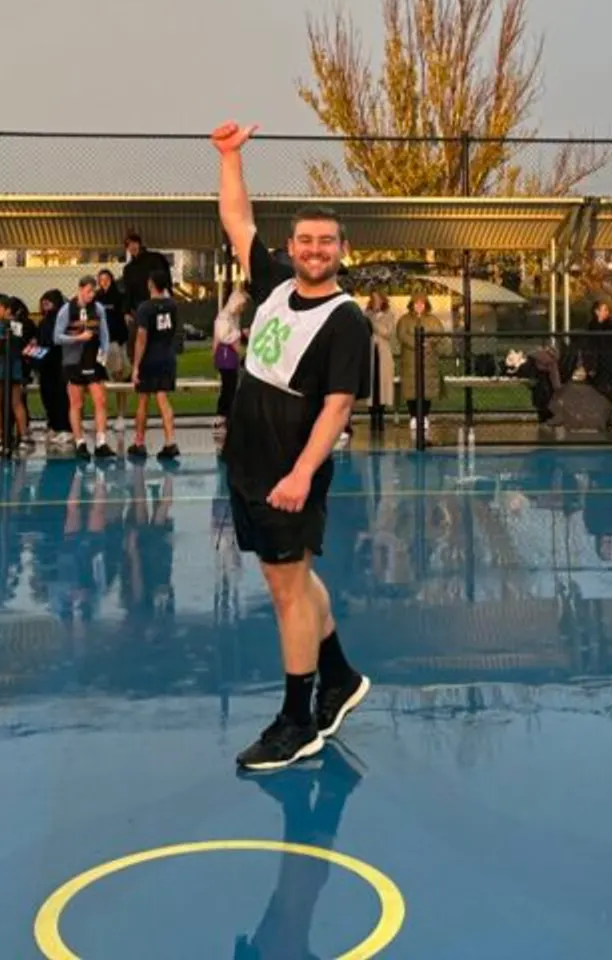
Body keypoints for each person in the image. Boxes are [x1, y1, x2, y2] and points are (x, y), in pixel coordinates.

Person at [214, 119, 372, 773]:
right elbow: (235, 219)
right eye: (305, 240)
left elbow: (338, 406)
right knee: (294, 579)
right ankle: (339, 680)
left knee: (286, 592)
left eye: (325, 242)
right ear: (291, 246)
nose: (314, 250)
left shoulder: (347, 319)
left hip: (288, 469)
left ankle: (297, 719)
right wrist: (229, 158)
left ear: (341, 249)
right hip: (248, 462)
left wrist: (304, 472)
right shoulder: (276, 281)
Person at [56, 277, 114, 458]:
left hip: (92, 360)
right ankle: (80, 442)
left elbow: (104, 335)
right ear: (80, 289)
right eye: (88, 291)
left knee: (100, 400)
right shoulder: (66, 310)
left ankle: (101, 442)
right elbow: (57, 337)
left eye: (93, 291)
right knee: (76, 403)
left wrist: (103, 354)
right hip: (73, 361)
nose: (91, 295)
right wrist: (77, 338)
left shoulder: (97, 309)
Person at [129, 270, 183, 463]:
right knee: (163, 398)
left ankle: (139, 442)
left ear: (151, 284)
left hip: (149, 357)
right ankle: (170, 442)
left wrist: (136, 365)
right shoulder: (172, 305)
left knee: (143, 400)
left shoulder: (145, 308)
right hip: (167, 355)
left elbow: (141, 337)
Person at [0, 294, 31, 450]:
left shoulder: (0, 324)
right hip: (14, 369)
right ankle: (24, 438)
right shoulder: (17, 324)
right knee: (17, 403)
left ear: (5, 309)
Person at [393, 294, 446, 437]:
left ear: (426, 305)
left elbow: (439, 334)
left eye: (422, 304)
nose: (419, 306)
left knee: (427, 390)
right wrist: (416, 343)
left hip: (429, 361)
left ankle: (424, 416)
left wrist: (428, 342)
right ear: (412, 304)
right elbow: (402, 335)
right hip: (410, 361)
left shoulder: (433, 320)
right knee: (411, 390)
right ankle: (414, 417)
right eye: (416, 304)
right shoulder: (404, 320)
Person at [34, 289, 72, 443]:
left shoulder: (61, 320)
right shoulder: (44, 321)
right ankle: (54, 426)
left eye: (48, 302)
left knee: (61, 397)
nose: (45, 306)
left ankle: (65, 428)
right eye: (43, 303)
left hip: (59, 364)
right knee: (48, 396)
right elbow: (40, 342)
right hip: (46, 366)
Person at [578, 300, 612, 402]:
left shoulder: (610, 325)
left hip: (610, 363)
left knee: (608, 391)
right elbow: (589, 346)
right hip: (596, 364)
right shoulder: (591, 327)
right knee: (597, 392)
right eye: (605, 310)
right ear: (597, 311)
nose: (607, 312)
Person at [213, 286, 249, 433]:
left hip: (229, 355)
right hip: (226, 355)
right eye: (242, 305)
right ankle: (223, 415)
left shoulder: (232, 317)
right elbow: (224, 336)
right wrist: (241, 334)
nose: (243, 309)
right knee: (229, 386)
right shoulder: (224, 317)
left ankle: (226, 415)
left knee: (231, 386)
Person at [362, 292, 398, 432]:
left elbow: (387, 333)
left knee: (382, 386)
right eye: (374, 300)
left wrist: (374, 324)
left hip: (383, 355)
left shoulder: (389, 315)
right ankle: (372, 418)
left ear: (383, 301)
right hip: (370, 354)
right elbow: (363, 332)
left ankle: (381, 417)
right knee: (372, 386)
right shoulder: (366, 315)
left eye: (379, 300)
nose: (376, 302)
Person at [119, 232, 173, 317]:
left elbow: (165, 279)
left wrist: (167, 297)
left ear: (139, 244)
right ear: (127, 249)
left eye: (134, 243)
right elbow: (128, 291)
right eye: (128, 245)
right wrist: (126, 311)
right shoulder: (128, 269)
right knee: (143, 329)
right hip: (140, 308)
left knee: (162, 329)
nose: (132, 247)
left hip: (158, 305)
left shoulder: (156, 258)